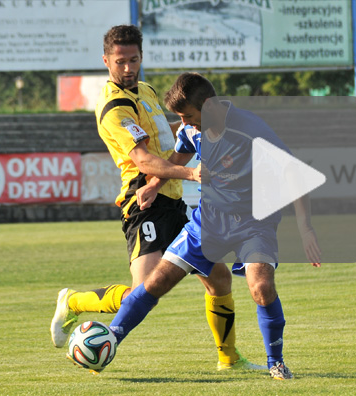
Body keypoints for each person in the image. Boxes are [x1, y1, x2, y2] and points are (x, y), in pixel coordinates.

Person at [50, 25, 261, 372]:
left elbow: (169, 141)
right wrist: (190, 173)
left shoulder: (146, 91)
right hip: (144, 201)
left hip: (171, 197)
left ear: (141, 58)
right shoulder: (114, 107)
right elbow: (144, 160)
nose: (128, 68)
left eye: (133, 59)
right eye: (120, 62)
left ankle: (229, 359)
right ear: (106, 61)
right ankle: (73, 301)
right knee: (144, 290)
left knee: (218, 278)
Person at [106, 72, 321, 380]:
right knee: (155, 283)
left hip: (254, 223)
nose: (185, 123)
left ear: (207, 106)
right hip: (208, 221)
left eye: (189, 116)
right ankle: (110, 340)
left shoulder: (251, 129)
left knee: (260, 287)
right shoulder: (191, 130)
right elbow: (178, 157)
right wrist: (154, 184)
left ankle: (276, 361)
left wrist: (306, 228)